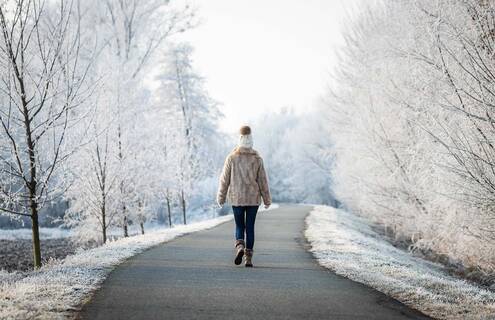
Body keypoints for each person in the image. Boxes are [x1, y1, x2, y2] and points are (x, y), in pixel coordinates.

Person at [217, 125, 271, 267]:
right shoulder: (257, 159)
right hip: (253, 200)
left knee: (240, 226)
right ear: (251, 140)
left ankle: (240, 246)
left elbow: (224, 180)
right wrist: (267, 199)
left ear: (240, 140)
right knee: (250, 227)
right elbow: (262, 181)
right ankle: (248, 258)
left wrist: (221, 197)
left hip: (237, 198)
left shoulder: (231, 158)